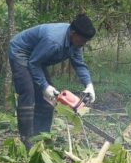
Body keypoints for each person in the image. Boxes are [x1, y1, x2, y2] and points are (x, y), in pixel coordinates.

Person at [8, 14, 96, 149]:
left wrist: (89, 85)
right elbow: (33, 63)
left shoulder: (75, 43)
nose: (83, 44)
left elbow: (79, 63)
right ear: (73, 33)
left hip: (37, 58)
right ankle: (26, 140)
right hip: (21, 52)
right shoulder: (53, 41)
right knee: (28, 93)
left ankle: (42, 136)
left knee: (49, 99)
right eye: (82, 40)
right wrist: (44, 86)